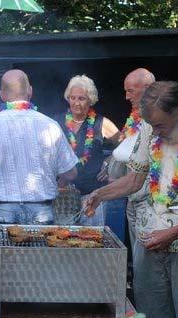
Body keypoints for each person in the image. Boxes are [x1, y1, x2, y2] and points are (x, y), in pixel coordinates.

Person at [86, 81, 178, 318]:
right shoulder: (149, 124)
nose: (154, 131)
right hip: (150, 240)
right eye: (151, 125)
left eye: (159, 126)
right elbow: (134, 179)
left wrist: (176, 231)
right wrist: (99, 194)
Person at [0, 70, 78, 225]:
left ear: (1, 95)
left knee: (4, 251)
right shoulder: (50, 125)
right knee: (38, 251)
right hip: (42, 210)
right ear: (30, 91)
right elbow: (71, 173)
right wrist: (60, 182)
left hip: (3, 210)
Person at [54, 74, 120, 226]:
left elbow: (126, 147)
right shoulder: (56, 122)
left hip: (92, 195)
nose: (76, 103)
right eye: (73, 98)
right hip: (62, 196)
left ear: (90, 100)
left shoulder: (101, 123)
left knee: (92, 241)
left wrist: (109, 162)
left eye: (81, 98)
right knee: (62, 242)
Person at [120, 68, 155, 252]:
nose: (126, 97)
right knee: (137, 253)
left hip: (150, 201)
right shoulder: (133, 119)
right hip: (132, 198)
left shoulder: (158, 118)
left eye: (130, 91)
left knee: (147, 255)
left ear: (148, 89)